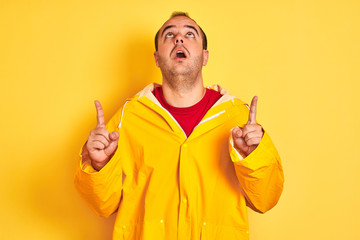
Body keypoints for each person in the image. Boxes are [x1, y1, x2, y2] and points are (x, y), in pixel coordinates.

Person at [74, 12, 284, 240]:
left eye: (189, 34)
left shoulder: (237, 117)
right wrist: (99, 164)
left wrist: (254, 156)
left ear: (205, 56)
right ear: (156, 57)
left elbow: (265, 199)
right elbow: (103, 205)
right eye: (170, 34)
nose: (179, 39)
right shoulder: (129, 115)